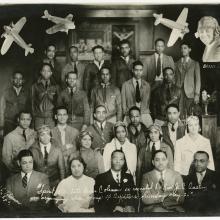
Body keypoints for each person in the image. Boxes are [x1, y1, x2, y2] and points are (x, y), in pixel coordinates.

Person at [121, 60, 153, 128]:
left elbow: (148, 101)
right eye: (136, 70)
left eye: (140, 70)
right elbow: (123, 103)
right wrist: (127, 113)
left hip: (144, 113)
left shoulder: (147, 85)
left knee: (148, 131)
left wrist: (144, 111)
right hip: (130, 114)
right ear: (132, 70)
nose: (138, 72)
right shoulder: (125, 85)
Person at [175, 42, 201, 118]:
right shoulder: (176, 63)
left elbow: (198, 81)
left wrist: (197, 95)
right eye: (182, 48)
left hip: (190, 93)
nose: (183, 50)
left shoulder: (195, 63)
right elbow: (174, 78)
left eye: (185, 48)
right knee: (179, 114)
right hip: (179, 93)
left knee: (191, 114)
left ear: (190, 49)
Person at [0, 71, 30, 136]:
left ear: (23, 80)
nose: (18, 80)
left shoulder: (27, 93)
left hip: (22, 124)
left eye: (20, 78)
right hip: (8, 123)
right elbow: (1, 110)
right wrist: (1, 127)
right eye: (16, 78)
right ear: (12, 80)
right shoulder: (6, 92)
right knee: (8, 143)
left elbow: (30, 109)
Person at [31, 63, 59, 129]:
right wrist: (34, 117)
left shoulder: (56, 86)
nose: (46, 73)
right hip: (38, 117)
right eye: (44, 70)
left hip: (51, 118)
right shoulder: (35, 86)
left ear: (51, 73)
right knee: (38, 136)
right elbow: (32, 102)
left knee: (51, 136)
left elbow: (58, 103)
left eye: (48, 71)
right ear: (40, 72)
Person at [51, 106, 79, 171]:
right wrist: (65, 147)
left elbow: (77, 149)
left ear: (67, 116)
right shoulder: (51, 132)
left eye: (64, 115)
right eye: (59, 115)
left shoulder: (75, 131)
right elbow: (52, 151)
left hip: (72, 164)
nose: (62, 117)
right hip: (56, 165)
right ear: (55, 117)